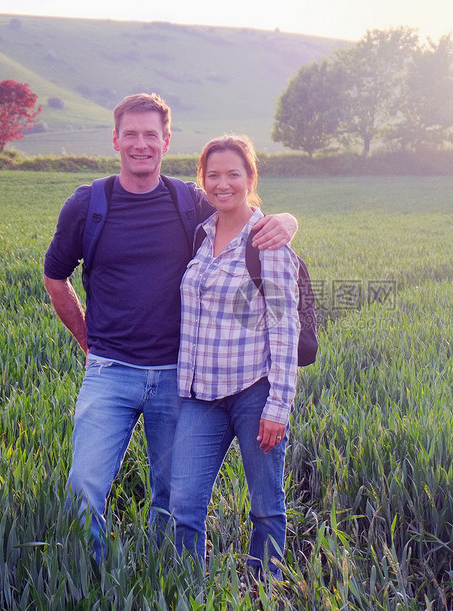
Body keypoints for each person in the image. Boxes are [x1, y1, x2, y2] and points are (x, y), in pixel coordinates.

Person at [42, 94, 297, 561]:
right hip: (110, 372)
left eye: (151, 135)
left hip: (178, 379)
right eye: (132, 134)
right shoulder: (87, 204)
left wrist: (288, 220)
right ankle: (92, 581)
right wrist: (87, 339)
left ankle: (166, 579)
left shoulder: (189, 201)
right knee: (83, 485)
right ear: (116, 139)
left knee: (171, 495)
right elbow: (54, 275)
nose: (141, 144)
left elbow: (240, 214)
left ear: (166, 141)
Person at [168, 135, 299, 580]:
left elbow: (285, 327)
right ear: (202, 180)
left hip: (253, 393)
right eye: (213, 175)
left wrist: (278, 405)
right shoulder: (201, 236)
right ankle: (187, 590)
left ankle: (266, 589)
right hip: (198, 396)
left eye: (233, 174)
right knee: (182, 504)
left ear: (251, 178)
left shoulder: (267, 241)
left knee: (266, 506)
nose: (223, 184)